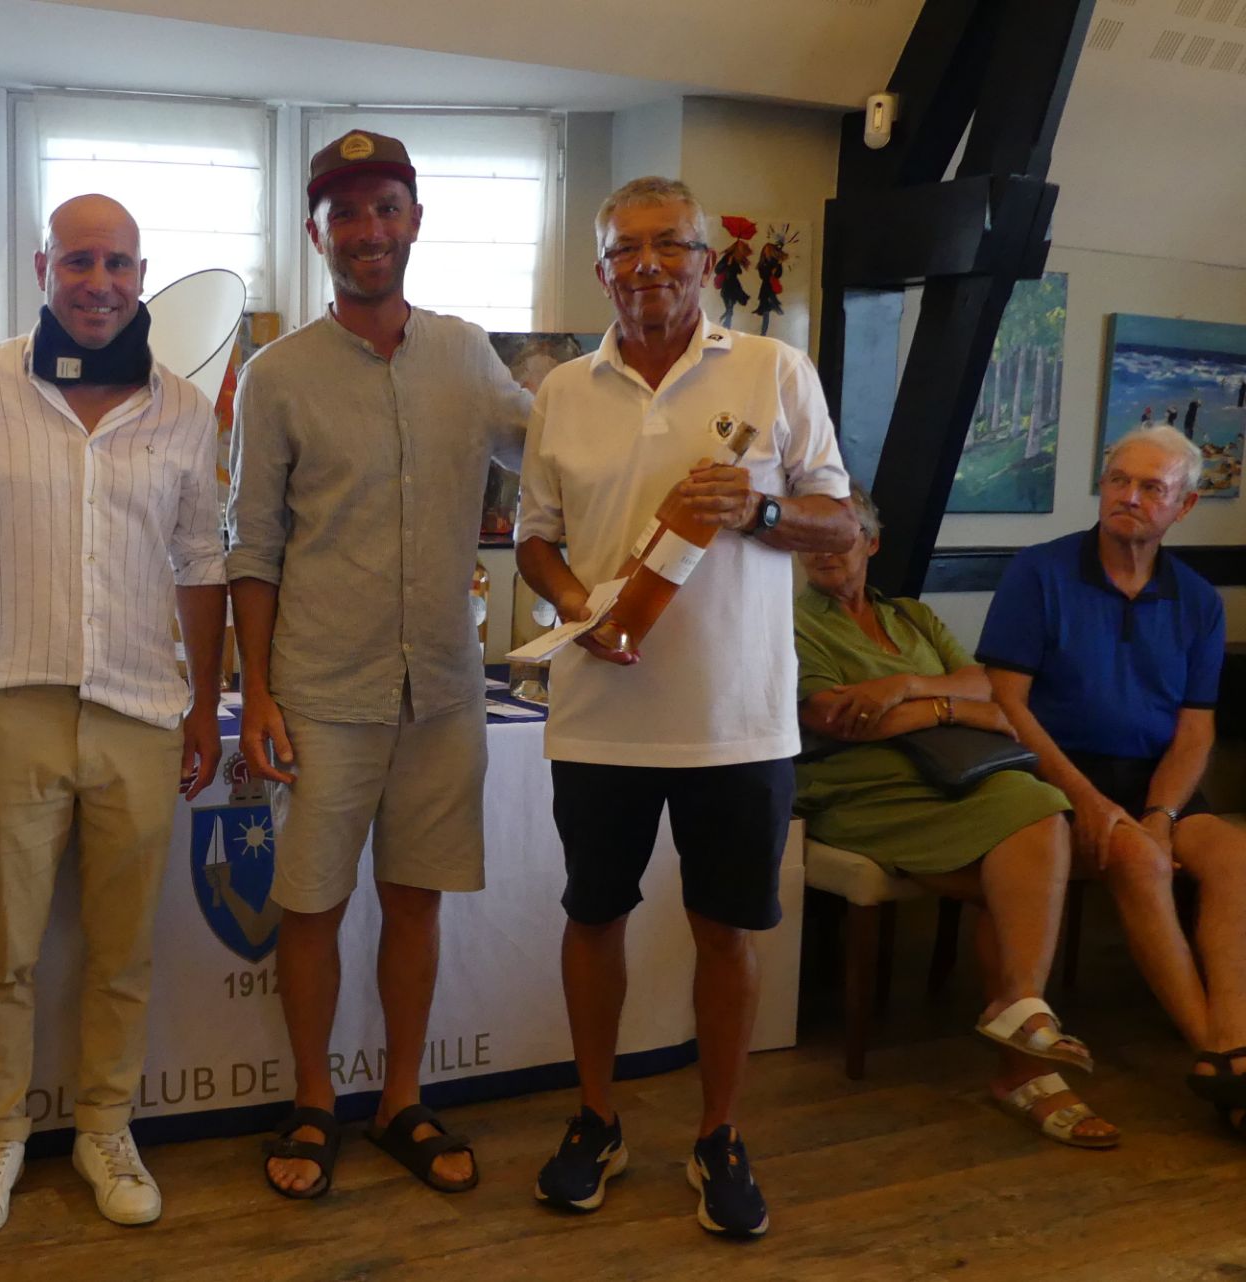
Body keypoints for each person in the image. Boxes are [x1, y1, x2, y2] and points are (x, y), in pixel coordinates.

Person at [513, 175, 855, 1237]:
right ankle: (596, 1119)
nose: (649, 264)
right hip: (599, 713)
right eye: (627, 248)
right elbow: (533, 536)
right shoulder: (562, 389)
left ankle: (719, 1134)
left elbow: (840, 522)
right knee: (593, 917)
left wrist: (758, 508)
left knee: (726, 930)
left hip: (737, 720)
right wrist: (578, 607)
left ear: (706, 262)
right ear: (601, 268)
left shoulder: (773, 370)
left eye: (671, 245)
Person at [0, 194, 227, 1237]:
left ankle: (104, 1125)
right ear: (43, 267)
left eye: (118, 264)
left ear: (141, 275)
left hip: (141, 708)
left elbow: (201, 561)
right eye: (79, 262)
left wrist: (204, 706)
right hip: (14, 705)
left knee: (123, 950)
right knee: (3, 948)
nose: (99, 283)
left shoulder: (184, 408)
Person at [228, 130, 530, 1200]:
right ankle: (314, 1098)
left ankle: (402, 1097)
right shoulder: (276, 376)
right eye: (346, 214)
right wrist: (256, 694)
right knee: (310, 908)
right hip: (320, 693)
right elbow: (252, 544)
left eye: (386, 209)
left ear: (415, 221)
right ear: (318, 234)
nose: (369, 231)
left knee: (415, 903)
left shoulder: (468, 356)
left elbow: (555, 457)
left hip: (442, 691)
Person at [795, 486, 1117, 1147]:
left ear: (871, 543)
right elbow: (833, 718)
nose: (825, 551)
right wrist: (952, 708)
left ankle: (1020, 1021)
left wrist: (906, 689)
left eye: (840, 534)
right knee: (1026, 861)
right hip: (858, 789)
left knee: (1031, 817)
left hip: (951, 782)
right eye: (811, 540)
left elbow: (990, 690)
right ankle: (1026, 1058)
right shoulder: (792, 621)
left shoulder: (911, 617)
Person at [979, 425, 1246, 1138]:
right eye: (1119, 480)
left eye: (1152, 487)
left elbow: (1196, 732)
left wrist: (1160, 813)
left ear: (1184, 506)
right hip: (1056, 778)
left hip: (1159, 784)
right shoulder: (1039, 573)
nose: (1129, 497)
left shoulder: (1199, 600)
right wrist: (1091, 802)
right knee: (1138, 861)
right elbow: (1008, 705)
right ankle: (1217, 1058)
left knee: (1235, 856)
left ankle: (1232, 1042)